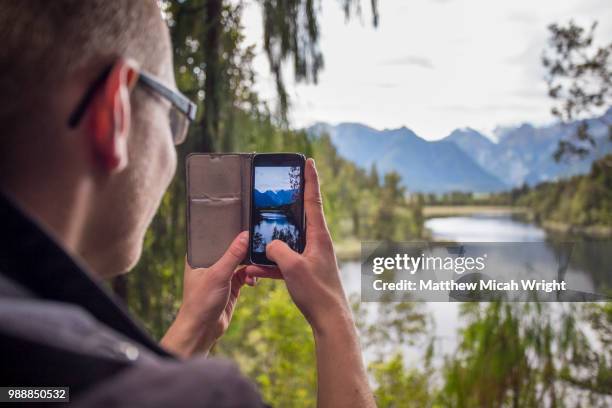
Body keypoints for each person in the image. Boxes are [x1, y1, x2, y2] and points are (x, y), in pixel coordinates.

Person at [0, 1, 375, 407]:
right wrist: (333, 314)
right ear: (115, 112)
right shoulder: (207, 397)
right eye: (174, 117)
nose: (174, 145)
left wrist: (193, 328)